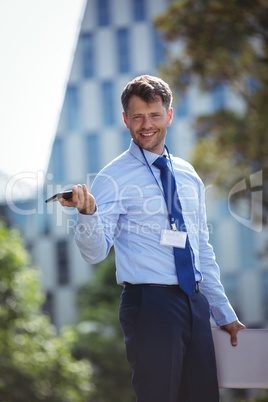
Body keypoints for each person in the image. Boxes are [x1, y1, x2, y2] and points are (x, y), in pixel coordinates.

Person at [59, 75, 245, 402]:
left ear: (169, 116)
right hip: (149, 305)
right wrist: (87, 215)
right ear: (125, 120)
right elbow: (94, 253)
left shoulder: (188, 175)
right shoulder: (112, 177)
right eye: (138, 117)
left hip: (195, 302)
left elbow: (201, 249)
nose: (147, 124)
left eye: (155, 115)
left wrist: (223, 313)